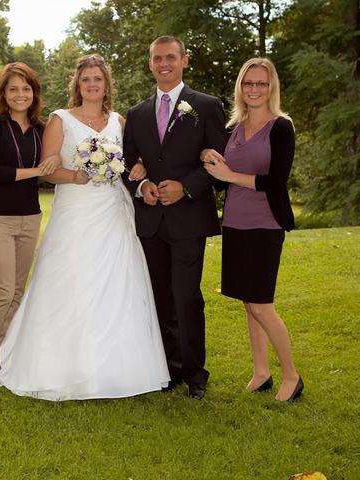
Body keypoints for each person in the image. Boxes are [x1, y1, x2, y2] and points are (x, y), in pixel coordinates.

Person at [0, 54, 170, 401]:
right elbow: (48, 169)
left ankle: (119, 369)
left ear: (106, 85)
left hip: (112, 212)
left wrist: (138, 165)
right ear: (77, 84)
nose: (92, 85)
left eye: (98, 79)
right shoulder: (60, 120)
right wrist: (74, 176)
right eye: (86, 79)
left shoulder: (119, 121)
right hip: (75, 212)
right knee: (72, 280)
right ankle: (63, 366)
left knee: (119, 284)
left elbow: (132, 160)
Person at [122, 36, 227, 400]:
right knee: (161, 298)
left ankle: (196, 372)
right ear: (149, 63)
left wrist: (187, 187)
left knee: (186, 296)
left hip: (189, 218)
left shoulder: (207, 106)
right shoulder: (136, 114)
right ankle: (169, 369)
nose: (163, 63)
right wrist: (143, 186)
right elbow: (127, 165)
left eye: (170, 57)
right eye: (157, 58)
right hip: (151, 221)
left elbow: (220, 162)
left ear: (184, 60)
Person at [202, 57, 303, 402]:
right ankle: (261, 373)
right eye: (249, 83)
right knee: (249, 302)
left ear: (271, 87)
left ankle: (292, 376)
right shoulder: (233, 129)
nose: (254, 89)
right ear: (241, 88)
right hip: (235, 223)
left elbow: (276, 181)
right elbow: (220, 180)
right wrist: (208, 158)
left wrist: (229, 175)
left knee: (262, 304)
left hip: (265, 224)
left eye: (261, 83)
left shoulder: (281, 127)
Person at [0, 62, 59, 385]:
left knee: (17, 293)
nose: (20, 94)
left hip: (30, 218)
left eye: (26, 88)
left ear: (34, 93)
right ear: (4, 94)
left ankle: (4, 357)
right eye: (13, 89)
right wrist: (38, 171)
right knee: (3, 292)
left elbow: (55, 163)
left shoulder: (41, 129)